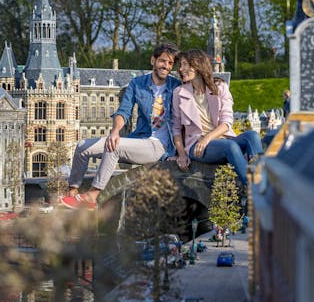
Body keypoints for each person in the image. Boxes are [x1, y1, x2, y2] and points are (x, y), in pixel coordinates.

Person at [59, 42, 181, 210]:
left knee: (114, 147)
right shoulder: (137, 84)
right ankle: (72, 193)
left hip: (160, 147)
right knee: (82, 147)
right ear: (153, 60)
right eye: (162, 61)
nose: (166, 66)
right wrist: (115, 131)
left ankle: (92, 195)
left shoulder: (176, 87)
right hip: (140, 139)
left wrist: (180, 152)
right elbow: (124, 111)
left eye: (170, 63)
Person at [170, 49, 263, 187]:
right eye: (181, 65)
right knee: (230, 146)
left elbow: (227, 123)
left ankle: (261, 179)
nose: (181, 69)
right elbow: (176, 129)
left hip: (221, 138)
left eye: (184, 64)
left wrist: (208, 138)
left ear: (197, 65)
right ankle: (253, 189)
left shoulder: (220, 87)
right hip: (197, 145)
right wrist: (182, 155)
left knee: (252, 136)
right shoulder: (179, 93)